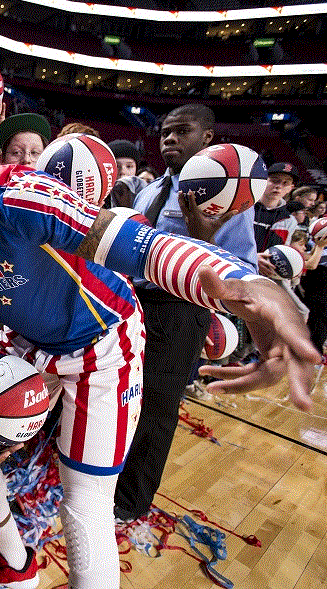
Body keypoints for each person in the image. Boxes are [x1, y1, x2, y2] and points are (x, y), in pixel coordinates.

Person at [0, 99, 318, 589]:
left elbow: (141, 246)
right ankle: (13, 561)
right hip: (29, 341)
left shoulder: (19, 195)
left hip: (104, 343)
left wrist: (246, 287)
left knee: (85, 504)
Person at [116, 103, 257, 522]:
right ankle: (106, 476)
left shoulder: (230, 194)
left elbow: (242, 272)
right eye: (164, 132)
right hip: (132, 303)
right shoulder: (148, 189)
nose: (169, 139)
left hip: (180, 309)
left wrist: (202, 242)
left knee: (156, 407)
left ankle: (130, 501)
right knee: (123, 397)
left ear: (208, 138)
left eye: (181, 131)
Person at [255, 162, 300, 277]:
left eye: (285, 183)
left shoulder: (289, 221)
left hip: (264, 277)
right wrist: (252, 258)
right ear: (264, 180)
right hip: (234, 267)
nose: (279, 186)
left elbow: (285, 252)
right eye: (275, 180)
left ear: (291, 188)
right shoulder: (244, 208)